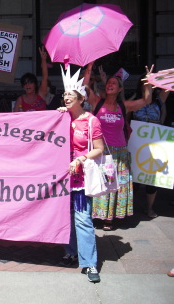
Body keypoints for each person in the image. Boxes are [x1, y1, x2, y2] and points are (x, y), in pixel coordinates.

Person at [84, 63, 153, 230]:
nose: (110, 85)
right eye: (108, 83)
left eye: (114, 83)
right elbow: (85, 86)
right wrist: (89, 66)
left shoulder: (124, 106)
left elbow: (146, 100)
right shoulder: (97, 102)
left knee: (114, 187)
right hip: (101, 152)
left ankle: (109, 219)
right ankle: (96, 214)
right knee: (99, 184)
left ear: (120, 89)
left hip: (119, 154)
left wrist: (149, 82)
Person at [57, 65, 104, 283]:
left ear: (81, 98)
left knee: (83, 219)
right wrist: (55, 118)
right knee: (65, 216)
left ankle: (89, 263)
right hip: (62, 176)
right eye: (64, 94)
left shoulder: (92, 120)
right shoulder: (61, 118)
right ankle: (71, 251)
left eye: (70, 94)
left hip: (82, 176)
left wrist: (80, 158)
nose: (65, 97)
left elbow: (99, 148)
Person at [132, 74, 169, 218]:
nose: (148, 86)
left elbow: (167, 86)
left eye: (150, 84)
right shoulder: (134, 100)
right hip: (137, 143)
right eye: (145, 83)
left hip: (155, 143)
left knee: (152, 178)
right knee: (135, 177)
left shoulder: (159, 100)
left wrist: (156, 78)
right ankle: (131, 208)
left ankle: (149, 208)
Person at [13, 47, 48, 112]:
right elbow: (15, 116)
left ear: (35, 84)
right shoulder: (20, 99)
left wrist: (43, 60)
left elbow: (45, 77)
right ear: (23, 87)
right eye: (25, 83)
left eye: (30, 82)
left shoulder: (41, 94)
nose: (27, 85)